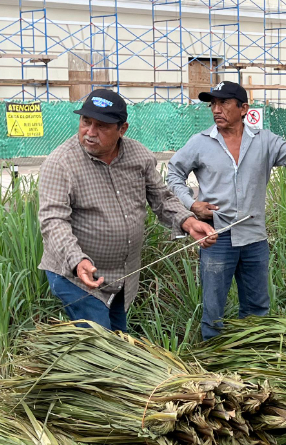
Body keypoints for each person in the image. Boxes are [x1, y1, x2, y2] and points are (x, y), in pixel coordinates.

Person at [168, 81, 286, 339]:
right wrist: (191, 204)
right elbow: (174, 174)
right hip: (216, 237)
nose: (216, 109)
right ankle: (212, 363)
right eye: (213, 104)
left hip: (254, 239)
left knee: (257, 308)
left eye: (224, 103)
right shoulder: (200, 143)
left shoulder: (263, 141)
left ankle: (252, 359)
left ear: (243, 108)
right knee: (214, 311)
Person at [38, 88, 217, 332]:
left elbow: (161, 197)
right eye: (85, 122)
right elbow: (53, 221)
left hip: (124, 276)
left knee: (119, 340)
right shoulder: (61, 163)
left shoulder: (138, 155)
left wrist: (187, 221)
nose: (90, 133)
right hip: (78, 277)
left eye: (101, 126)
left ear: (122, 129)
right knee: (101, 349)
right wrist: (77, 260)